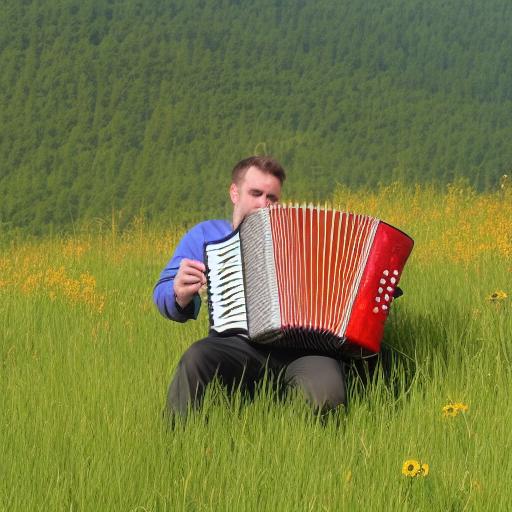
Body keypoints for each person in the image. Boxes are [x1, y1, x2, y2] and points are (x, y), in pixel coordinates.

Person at [153, 156, 347, 418]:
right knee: (197, 357)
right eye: (255, 193)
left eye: (272, 197)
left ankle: (293, 446)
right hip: (237, 346)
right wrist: (178, 295)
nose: (263, 204)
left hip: (303, 350)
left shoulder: (302, 241)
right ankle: (174, 444)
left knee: (328, 393)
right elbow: (164, 292)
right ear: (235, 193)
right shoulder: (207, 236)